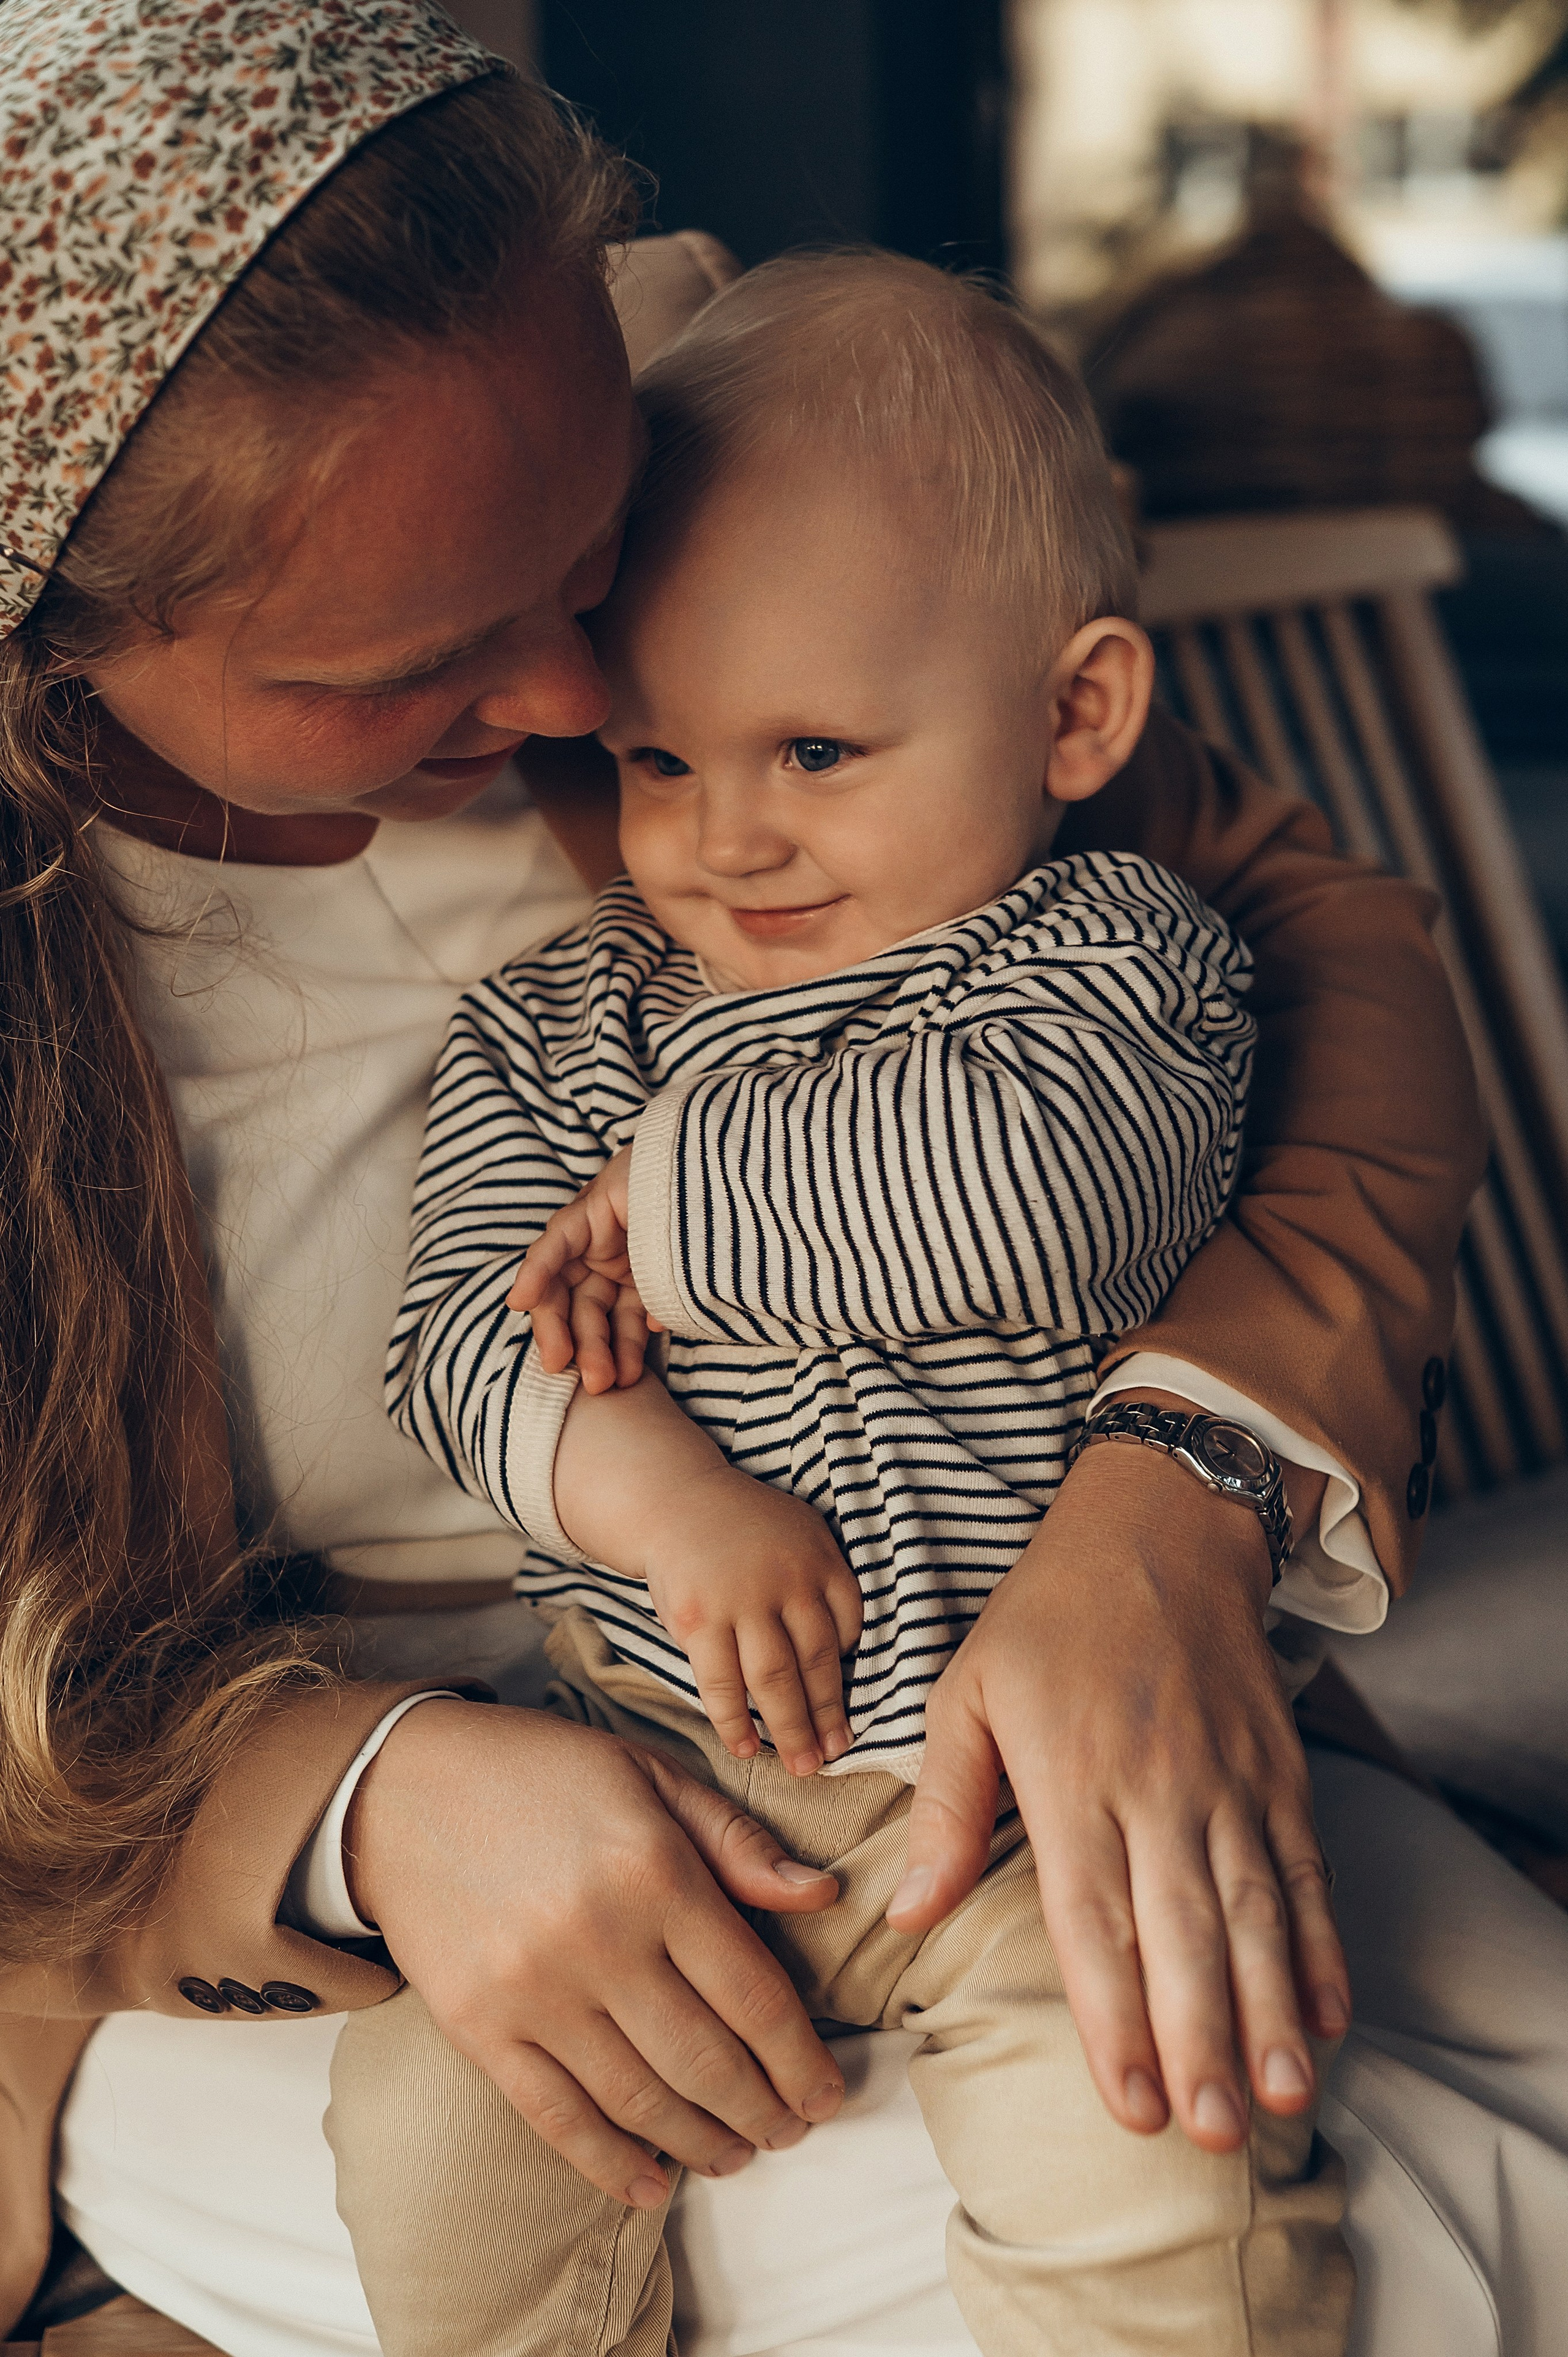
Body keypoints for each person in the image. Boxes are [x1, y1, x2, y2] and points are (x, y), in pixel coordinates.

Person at [0, 3, 1539, 2353]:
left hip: (982, 1680)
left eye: (590, 548)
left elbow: (1308, 955)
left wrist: (1180, 1485)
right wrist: (369, 1797)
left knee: (1422, 2141)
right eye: (416, 655)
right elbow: (448, 1362)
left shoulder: (740, 434)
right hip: (294, 1872)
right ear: (63, 639)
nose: (575, 695)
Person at [369, 249, 1354, 2356]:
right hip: (656, 1783)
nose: (727, 841)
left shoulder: (1117, 958)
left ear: (1074, 713)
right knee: (432, 2139)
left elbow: (1036, 1194)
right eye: (655, 761)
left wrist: (661, 1211)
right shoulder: (562, 1023)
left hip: (1043, 1807)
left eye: (814, 749)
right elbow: (458, 1339)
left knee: (1156, 2155)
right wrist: (662, 1503)